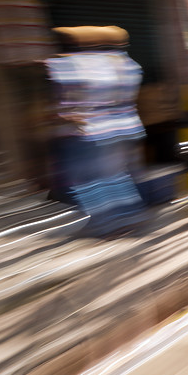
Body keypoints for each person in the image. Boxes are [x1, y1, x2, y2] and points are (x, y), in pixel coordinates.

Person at [46, 25, 147, 233]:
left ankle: (104, 221)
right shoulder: (129, 63)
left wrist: (63, 112)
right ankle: (130, 214)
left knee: (86, 178)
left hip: (91, 128)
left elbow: (71, 97)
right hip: (126, 125)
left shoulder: (74, 63)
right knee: (115, 174)